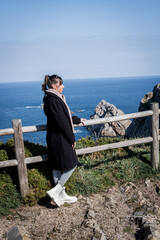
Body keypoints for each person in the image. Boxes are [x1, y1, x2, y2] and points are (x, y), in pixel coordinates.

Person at [42, 74, 86, 206]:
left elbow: (64, 117)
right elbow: (62, 122)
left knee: (57, 166)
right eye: (61, 84)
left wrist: (77, 120)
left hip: (54, 137)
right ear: (55, 86)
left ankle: (60, 196)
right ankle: (56, 191)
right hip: (60, 138)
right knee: (72, 164)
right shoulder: (54, 100)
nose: (63, 86)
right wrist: (72, 138)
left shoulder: (50, 99)